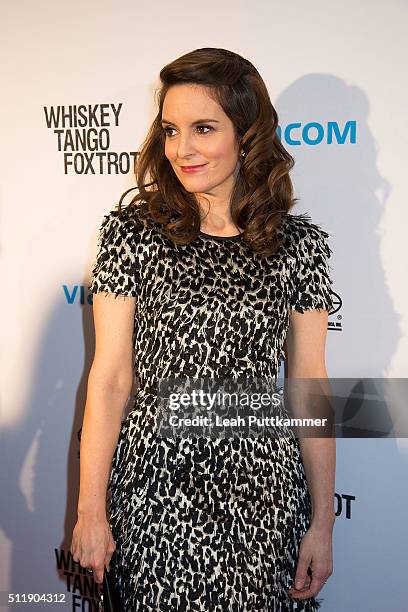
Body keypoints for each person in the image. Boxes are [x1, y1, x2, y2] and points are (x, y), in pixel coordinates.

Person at [71, 47, 335, 611]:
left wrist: (322, 522)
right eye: (170, 130)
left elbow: (309, 384)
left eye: (203, 128)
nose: (181, 149)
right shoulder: (132, 234)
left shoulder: (296, 245)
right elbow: (110, 378)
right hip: (153, 499)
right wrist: (91, 513)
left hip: (263, 501)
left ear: (247, 134)